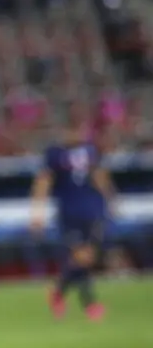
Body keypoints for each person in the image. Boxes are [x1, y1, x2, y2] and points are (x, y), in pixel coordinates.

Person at [30, 122, 117, 321]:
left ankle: (58, 292)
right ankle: (90, 304)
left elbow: (99, 176)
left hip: (92, 210)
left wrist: (110, 198)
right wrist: (37, 213)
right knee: (81, 257)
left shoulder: (91, 150)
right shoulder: (54, 154)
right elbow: (43, 182)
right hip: (69, 212)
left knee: (87, 257)